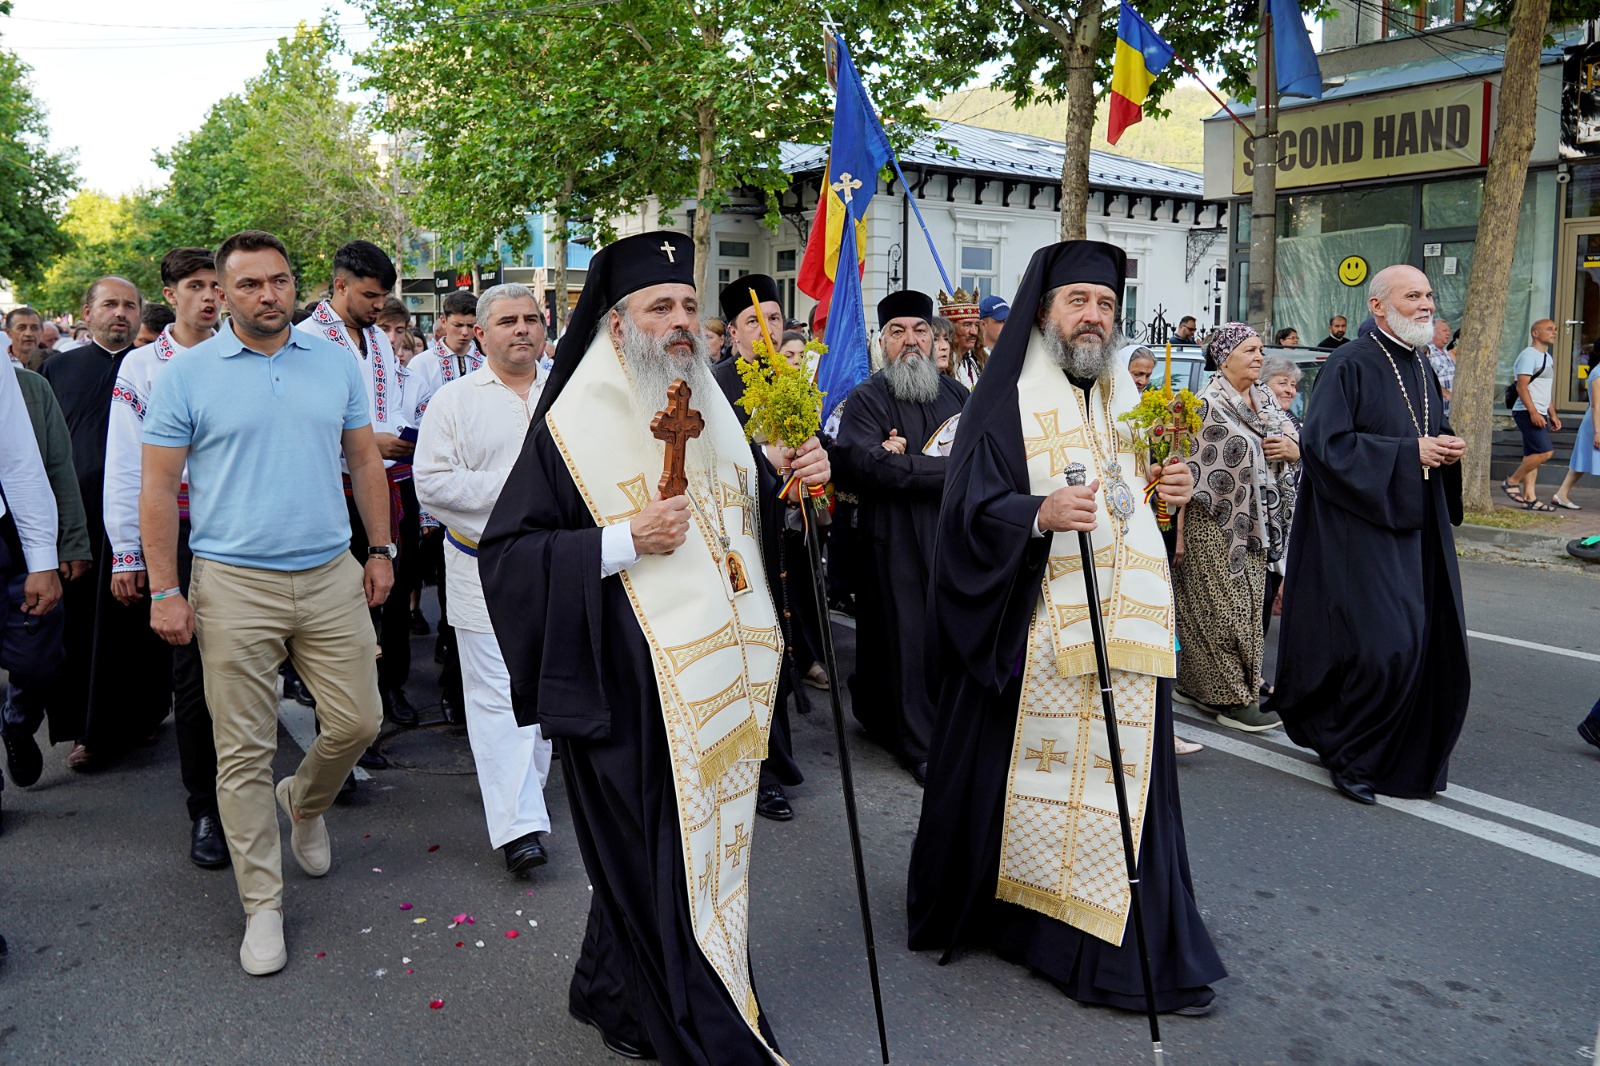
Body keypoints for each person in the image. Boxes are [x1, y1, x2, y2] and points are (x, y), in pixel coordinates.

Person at [479, 231, 820, 1062]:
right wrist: (620, 540)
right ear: (614, 324)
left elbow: (735, 524)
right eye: (657, 307)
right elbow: (511, 556)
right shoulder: (569, 425)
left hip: (719, 678)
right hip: (627, 690)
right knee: (657, 855)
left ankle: (611, 989)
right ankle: (690, 1015)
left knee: (674, 856)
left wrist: (786, 468)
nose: (678, 322)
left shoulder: (706, 402)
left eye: (687, 306)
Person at [908, 238, 1224, 1016]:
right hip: (1034, 632)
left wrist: (1170, 484)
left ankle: (1111, 937)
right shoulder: (1006, 400)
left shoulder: (1123, 398)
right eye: (1078, 301)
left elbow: (1131, 501)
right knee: (1026, 788)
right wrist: (1037, 512)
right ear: (1045, 312)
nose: (1093, 317)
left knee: (1127, 792)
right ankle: (1025, 921)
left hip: (1128, 631)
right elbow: (965, 517)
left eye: (1107, 304)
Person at [141, 229, 391, 975]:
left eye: (278, 281)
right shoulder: (187, 376)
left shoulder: (335, 360)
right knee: (241, 752)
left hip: (328, 574)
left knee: (359, 721)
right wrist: (164, 588)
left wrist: (380, 550)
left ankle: (305, 801)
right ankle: (263, 907)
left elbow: (362, 459)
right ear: (220, 292)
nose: (266, 295)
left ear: (294, 285)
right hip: (232, 583)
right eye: (248, 284)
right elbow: (156, 489)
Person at [1268, 264, 1468, 805]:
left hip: (1413, 520)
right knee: (1386, 647)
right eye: (1413, 295)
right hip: (1359, 527)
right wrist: (1410, 454)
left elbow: (1419, 431)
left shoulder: (1420, 362)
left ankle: (1391, 756)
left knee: (1423, 641)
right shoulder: (1350, 363)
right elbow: (1325, 446)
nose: (1427, 304)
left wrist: (1443, 447)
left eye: (1429, 294)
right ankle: (1350, 756)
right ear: (1379, 306)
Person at [414, 283, 554, 875]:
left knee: (545, 689)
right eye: (507, 321)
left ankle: (526, 799)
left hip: (559, 565)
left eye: (531, 319)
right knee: (497, 698)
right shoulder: (453, 401)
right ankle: (519, 828)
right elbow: (435, 485)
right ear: (481, 331)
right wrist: (521, 492)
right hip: (481, 566)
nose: (521, 329)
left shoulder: (571, 393)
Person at [101, 248, 228, 867]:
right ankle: (205, 807)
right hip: (179, 531)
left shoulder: (244, 354)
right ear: (170, 294)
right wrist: (131, 554)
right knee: (194, 677)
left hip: (247, 531)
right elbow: (128, 464)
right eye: (196, 286)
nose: (209, 297)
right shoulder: (142, 368)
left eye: (216, 285)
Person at [832, 290, 968, 782]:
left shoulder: (958, 396)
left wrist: (911, 465)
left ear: (934, 339)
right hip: (892, 537)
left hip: (949, 536)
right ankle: (921, 744)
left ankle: (917, 721)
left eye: (920, 331)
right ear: (882, 342)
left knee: (943, 636)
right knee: (904, 639)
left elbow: (981, 460)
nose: (910, 341)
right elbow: (867, 465)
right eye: (898, 332)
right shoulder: (867, 398)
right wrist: (945, 471)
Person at [39, 276, 173, 769]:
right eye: (110, 304)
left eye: (130, 305)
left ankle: (144, 714)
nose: (121, 313)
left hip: (149, 515)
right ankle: (88, 732)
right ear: (88, 311)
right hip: (82, 522)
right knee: (85, 630)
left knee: (146, 618)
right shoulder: (58, 368)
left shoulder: (156, 367)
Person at [710, 273, 828, 821]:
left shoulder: (795, 382)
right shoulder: (712, 387)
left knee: (779, 647)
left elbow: (816, 450)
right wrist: (765, 463)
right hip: (738, 543)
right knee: (746, 652)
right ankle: (752, 773)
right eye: (754, 321)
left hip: (790, 542)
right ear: (733, 333)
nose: (768, 329)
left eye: (776, 319)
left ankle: (772, 762)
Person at [296, 241, 421, 727]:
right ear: (340, 285)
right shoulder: (306, 339)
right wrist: (368, 443)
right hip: (332, 491)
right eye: (369, 295)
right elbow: (301, 424)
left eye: (383, 296)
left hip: (385, 487)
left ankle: (390, 689)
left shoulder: (377, 339)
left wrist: (402, 435)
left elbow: (395, 405)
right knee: (343, 608)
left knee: (394, 587)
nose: (377, 306)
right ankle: (339, 719)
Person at [1171, 325, 1298, 731]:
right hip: (1215, 521)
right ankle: (1233, 700)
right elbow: (1198, 462)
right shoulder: (1206, 403)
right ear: (1224, 358)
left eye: (1261, 349)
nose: (1259, 357)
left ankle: (1196, 687)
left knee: (1246, 609)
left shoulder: (1265, 401)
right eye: (1249, 350)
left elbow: (1294, 441)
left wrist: (1291, 449)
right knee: (1222, 613)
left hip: (1259, 521)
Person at [1, 357, 87, 816]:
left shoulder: (29, 387)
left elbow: (54, 467)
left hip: (19, 541)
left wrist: (66, 545)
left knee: (40, 661)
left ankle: (17, 722)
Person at [1503, 319, 1561, 512]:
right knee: (1545, 452)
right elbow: (1522, 386)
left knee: (1532, 455)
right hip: (1526, 411)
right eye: (1549, 329)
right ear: (1535, 333)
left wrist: (1552, 414)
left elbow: (1544, 390)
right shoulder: (1528, 356)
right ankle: (1512, 481)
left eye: (1555, 329)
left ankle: (1530, 498)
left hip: (1541, 412)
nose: (1554, 332)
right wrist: (1534, 412)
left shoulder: (1547, 358)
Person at [1552, 350, 1600, 511]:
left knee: (1582, 461)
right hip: (1595, 422)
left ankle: (1561, 494)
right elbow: (1596, 406)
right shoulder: (1598, 373)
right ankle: (1561, 494)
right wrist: (1598, 432)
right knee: (1581, 461)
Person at [941, 287, 983, 388]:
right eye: (967, 325)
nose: (974, 332)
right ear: (951, 329)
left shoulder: (979, 360)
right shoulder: (941, 364)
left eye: (976, 325)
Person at [1426, 317, 1454, 420]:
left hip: (1450, 413)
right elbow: (1427, 378)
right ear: (1433, 332)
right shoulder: (1428, 352)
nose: (1448, 333)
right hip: (1437, 414)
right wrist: (1447, 394)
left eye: (1449, 331)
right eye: (1444, 331)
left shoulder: (1446, 353)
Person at [6, 307, 47, 372]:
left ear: (42, 331)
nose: (28, 334)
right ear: (8, 332)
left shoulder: (53, 361)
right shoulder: (3, 361)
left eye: (34, 328)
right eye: (21, 328)